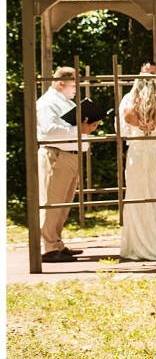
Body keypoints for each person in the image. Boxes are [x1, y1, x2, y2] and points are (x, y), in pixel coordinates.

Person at [36, 66, 100, 262]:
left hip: (70, 156)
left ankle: (56, 243)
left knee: (63, 205)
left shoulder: (66, 102)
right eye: (74, 85)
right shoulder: (47, 103)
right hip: (57, 155)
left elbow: (73, 128)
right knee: (52, 203)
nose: (75, 89)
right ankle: (47, 248)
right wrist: (78, 129)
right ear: (61, 83)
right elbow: (49, 131)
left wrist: (86, 127)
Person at [119, 69, 156, 261]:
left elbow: (121, 132)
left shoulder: (128, 109)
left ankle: (136, 243)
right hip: (153, 153)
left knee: (136, 196)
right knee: (155, 195)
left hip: (136, 153)